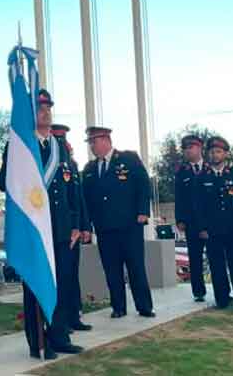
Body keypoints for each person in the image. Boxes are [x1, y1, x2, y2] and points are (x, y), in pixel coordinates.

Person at [0, 91, 83, 359]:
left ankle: (59, 336)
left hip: (60, 228)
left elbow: (71, 189)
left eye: (48, 108)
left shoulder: (59, 147)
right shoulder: (20, 146)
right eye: (39, 108)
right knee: (35, 285)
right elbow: (3, 183)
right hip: (35, 229)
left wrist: (76, 224)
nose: (45, 112)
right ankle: (38, 342)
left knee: (62, 284)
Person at [81, 126, 155, 319]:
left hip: (129, 224)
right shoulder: (89, 169)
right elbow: (85, 200)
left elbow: (143, 184)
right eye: (90, 143)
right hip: (104, 227)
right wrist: (87, 225)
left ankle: (144, 306)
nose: (91, 146)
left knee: (135, 266)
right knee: (111, 269)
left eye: (94, 142)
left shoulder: (128, 159)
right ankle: (118, 307)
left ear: (106, 140)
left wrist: (143, 212)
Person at [201, 136, 233, 312]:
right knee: (216, 266)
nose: (215, 155)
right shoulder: (203, 176)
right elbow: (197, 205)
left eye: (218, 151)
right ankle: (222, 300)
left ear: (226, 154)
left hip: (232, 228)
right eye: (212, 152)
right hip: (212, 229)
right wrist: (202, 228)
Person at [50, 123, 93, 333]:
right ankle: (63, 320)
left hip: (74, 230)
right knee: (62, 276)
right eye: (58, 140)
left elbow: (79, 199)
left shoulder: (72, 165)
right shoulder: (52, 165)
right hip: (59, 229)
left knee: (72, 275)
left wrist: (84, 226)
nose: (63, 144)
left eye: (64, 140)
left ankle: (74, 315)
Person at [174, 134, 210, 303]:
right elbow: (179, 197)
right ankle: (199, 292)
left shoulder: (211, 168)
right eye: (185, 148)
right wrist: (179, 219)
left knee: (215, 256)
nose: (188, 151)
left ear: (199, 148)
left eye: (191, 147)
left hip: (211, 221)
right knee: (195, 259)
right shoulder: (182, 172)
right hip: (191, 221)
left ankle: (222, 290)